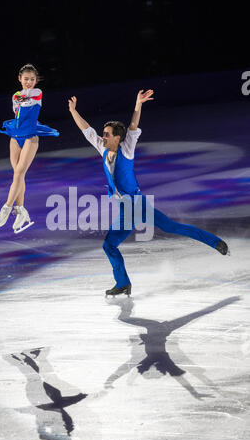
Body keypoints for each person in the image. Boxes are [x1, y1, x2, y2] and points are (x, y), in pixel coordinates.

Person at [68, 90, 229, 296]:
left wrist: (138, 104)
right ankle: (123, 283)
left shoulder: (127, 149)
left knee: (173, 227)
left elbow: (133, 126)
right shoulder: (103, 148)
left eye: (107, 134)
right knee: (109, 245)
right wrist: (74, 111)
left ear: (118, 137)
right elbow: (87, 130)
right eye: (104, 133)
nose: (103, 136)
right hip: (126, 209)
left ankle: (216, 242)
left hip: (137, 205)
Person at [0, 64, 59, 233]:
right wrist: (20, 100)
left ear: (36, 80)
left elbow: (27, 103)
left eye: (32, 79)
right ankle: (21, 210)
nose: (29, 82)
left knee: (18, 173)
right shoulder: (15, 95)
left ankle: (7, 207)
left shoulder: (37, 92)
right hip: (15, 137)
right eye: (26, 79)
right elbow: (18, 106)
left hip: (30, 137)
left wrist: (23, 102)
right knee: (18, 174)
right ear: (19, 79)